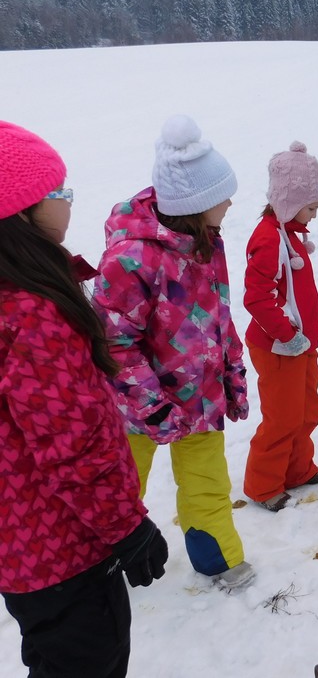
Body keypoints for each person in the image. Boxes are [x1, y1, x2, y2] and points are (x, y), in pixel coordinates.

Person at [0, 121, 169, 678]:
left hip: (22, 545)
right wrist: (126, 527)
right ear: (20, 213)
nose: (68, 201)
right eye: (58, 191)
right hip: (62, 548)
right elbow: (72, 442)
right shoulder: (32, 312)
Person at [93, 114, 255, 592]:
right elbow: (114, 343)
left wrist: (232, 374)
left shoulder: (206, 244)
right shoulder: (131, 259)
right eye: (223, 196)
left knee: (209, 482)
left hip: (200, 397)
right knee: (123, 488)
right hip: (136, 409)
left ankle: (218, 558)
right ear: (195, 204)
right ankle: (98, 571)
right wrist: (154, 408)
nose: (230, 203)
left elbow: (219, 316)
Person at [243, 141, 318, 512]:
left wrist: (304, 339)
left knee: (307, 410)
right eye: (310, 207)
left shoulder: (289, 236)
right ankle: (263, 486)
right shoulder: (268, 239)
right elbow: (257, 299)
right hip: (279, 347)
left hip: (301, 345)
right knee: (282, 419)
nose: (314, 216)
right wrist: (288, 335)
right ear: (288, 202)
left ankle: (297, 470)